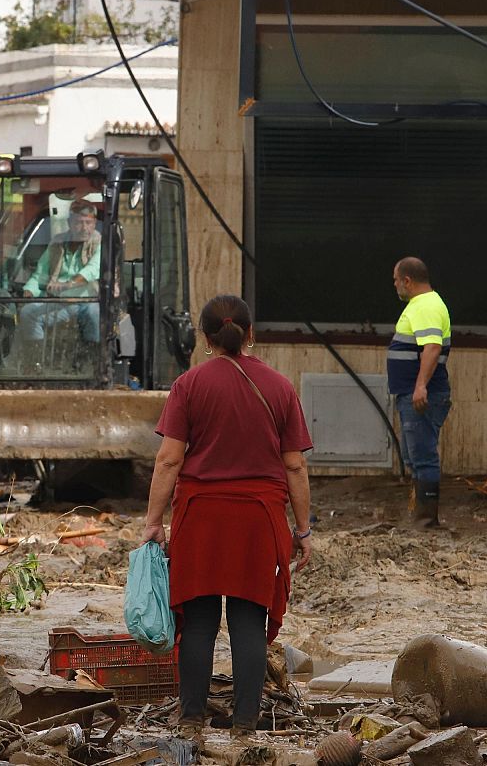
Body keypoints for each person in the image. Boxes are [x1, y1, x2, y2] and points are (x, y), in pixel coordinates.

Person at [143, 295, 313, 739]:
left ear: (204, 338)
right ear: (250, 334)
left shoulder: (189, 385)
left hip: (201, 518)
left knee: (198, 621)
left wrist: (153, 522)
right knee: (247, 620)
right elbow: (294, 465)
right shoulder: (279, 387)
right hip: (258, 520)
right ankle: (244, 724)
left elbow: (168, 461)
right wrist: (303, 529)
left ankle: (192, 719)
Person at [388, 257, 452, 528]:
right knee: (413, 455)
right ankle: (419, 514)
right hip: (412, 394)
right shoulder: (422, 304)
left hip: (422, 395)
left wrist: (420, 386)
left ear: (407, 280)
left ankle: (426, 521)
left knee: (423, 455)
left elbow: (432, 347)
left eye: (395, 279)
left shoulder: (426, 305)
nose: (394, 285)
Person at [17, 199, 102, 354]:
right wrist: (28, 291)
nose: (84, 228)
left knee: (94, 313)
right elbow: (40, 274)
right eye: (79, 222)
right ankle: (36, 361)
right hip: (59, 303)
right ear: (69, 223)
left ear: (94, 223)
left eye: (88, 223)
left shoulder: (100, 243)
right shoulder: (57, 242)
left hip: (89, 300)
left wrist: (67, 284)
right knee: (28, 312)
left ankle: (92, 359)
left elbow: (92, 270)